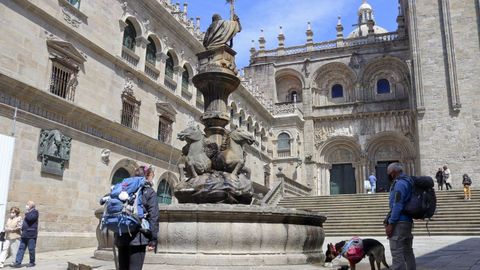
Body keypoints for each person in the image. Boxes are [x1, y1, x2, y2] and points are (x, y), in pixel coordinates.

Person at [114, 166, 159, 270]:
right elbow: (154, 216)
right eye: (152, 176)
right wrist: (153, 239)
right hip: (138, 237)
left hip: (122, 235)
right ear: (148, 176)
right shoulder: (149, 191)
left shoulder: (124, 189)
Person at [384, 162, 416, 270]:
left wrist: (391, 223)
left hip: (399, 222)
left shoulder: (399, 184)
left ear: (393, 172)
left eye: (389, 173)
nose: (388, 175)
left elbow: (397, 204)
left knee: (397, 253)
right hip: (407, 221)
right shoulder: (408, 182)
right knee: (408, 251)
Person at [12, 201, 39, 268]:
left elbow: (30, 219)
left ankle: (32, 262)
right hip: (24, 234)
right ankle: (18, 263)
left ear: (31, 206)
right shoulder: (28, 213)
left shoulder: (35, 212)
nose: (26, 206)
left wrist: (27, 213)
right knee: (21, 249)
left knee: (31, 249)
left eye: (27, 205)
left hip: (31, 235)